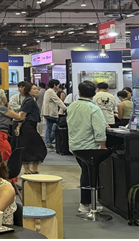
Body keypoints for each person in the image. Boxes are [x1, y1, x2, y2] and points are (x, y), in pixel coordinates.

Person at [67, 80, 107, 214]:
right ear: (94, 93)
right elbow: (99, 130)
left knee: (86, 172)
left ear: (79, 92)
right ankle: (85, 204)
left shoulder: (72, 106)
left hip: (75, 145)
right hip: (90, 147)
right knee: (89, 174)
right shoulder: (93, 108)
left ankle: (90, 203)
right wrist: (103, 146)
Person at [14, 82, 47, 174]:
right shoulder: (29, 101)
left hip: (30, 126)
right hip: (27, 127)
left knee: (28, 147)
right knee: (38, 147)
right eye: (34, 89)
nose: (37, 91)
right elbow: (22, 114)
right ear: (28, 91)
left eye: (37, 89)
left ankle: (30, 169)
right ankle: (30, 170)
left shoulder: (29, 100)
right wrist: (18, 127)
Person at [0, 90, 21, 161]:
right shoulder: (1, 108)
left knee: (1, 154)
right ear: (3, 98)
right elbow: (17, 116)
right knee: (5, 153)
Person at [42, 79, 67, 148]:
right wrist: (65, 108)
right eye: (57, 85)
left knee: (49, 128)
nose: (58, 86)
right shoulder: (51, 92)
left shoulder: (48, 91)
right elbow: (58, 101)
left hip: (47, 112)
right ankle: (48, 142)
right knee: (53, 128)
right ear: (54, 85)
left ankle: (48, 142)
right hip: (50, 113)